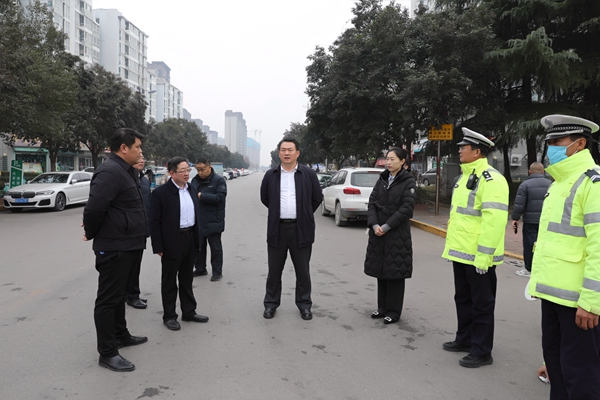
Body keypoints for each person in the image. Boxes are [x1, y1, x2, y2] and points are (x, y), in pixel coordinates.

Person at [528, 114, 600, 399]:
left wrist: (591, 302)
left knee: (581, 374)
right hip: (553, 295)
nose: (551, 148)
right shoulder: (559, 182)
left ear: (580, 143)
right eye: (549, 142)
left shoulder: (592, 183)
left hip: (578, 302)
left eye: (558, 141)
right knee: (557, 366)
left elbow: (598, 246)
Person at [441, 128, 509, 368]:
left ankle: (481, 351)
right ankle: (465, 339)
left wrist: (484, 255)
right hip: (462, 252)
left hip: (479, 256)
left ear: (477, 151)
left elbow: (494, 221)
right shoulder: (463, 177)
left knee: (482, 304)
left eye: (464, 147)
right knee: (463, 298)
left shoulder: (492, 180)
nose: (460, 150)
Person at [82, 128, 148, 372]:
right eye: (137, 147)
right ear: (123, 148)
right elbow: (94, 208)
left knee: (120, 295)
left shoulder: (126, 170)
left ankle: (121, 335)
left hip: (128, 244)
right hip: (114, 247)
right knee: (108, 299)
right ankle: (107, 353)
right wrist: (91, 232)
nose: (140, 151)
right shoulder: (110, 171)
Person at [260, 137, 322, 320]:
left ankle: (304, 305)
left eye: (290, 150)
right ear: (279, 153)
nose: (286, 153)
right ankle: (271, 304)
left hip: (301, 230)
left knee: (303, 272)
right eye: (283, 150)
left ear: (297, 153)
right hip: (277, 229)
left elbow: (316, 198)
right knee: (274, 271)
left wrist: (304, 214)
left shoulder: (308, 174)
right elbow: (265, 198)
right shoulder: (271, 175)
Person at [150, 156, 209, 331]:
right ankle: (169, 316)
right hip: (172, 241)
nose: (186, 174)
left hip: (190, 238)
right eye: (182, 171)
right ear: (172, 173)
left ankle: (189, 311)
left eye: (187, 170)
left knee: (187, 278)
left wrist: (198, 239)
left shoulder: (191, 189)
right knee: (169, 280)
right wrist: (158, 246)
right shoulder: (161, 193)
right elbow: (154, 222)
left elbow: (197, 216)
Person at [364, 147, 416, 324]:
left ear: (402, 161)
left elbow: (406, 209)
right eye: (387, 159)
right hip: (378, 231)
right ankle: (382, 308)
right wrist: (374, 224)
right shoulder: (383, 179)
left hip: (396, 233)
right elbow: (372, 203)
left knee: (395, 271)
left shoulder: (408, 181)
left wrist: (386, 226)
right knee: (381, 270)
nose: (388, 162)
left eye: (392, 159)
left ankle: (393, 311)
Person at [511, 162, 551, 277]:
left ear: (530, 172)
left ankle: (529, 268)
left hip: (530, 221)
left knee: (529, 245)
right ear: (542, 171)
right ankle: (542, 268)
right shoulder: (551, 184)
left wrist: (515, 218)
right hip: (546, 220)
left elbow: (519, 204)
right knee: (544, 244)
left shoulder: (525, 185)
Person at [191, 157, 227, 282]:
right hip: (199, 219)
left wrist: (202, 196)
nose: (200, 172)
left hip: (214, 220)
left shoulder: (219, 180)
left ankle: (217, 271)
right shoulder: (195, 180)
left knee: (215, 248)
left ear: (209, 167)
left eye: (202, 169)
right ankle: (200, 268)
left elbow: (220, 198)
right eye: (198, 170)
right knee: (199, 247)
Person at [125, 157, 152, 309]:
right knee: (129, 265)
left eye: (143, 159)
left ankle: (131, 293)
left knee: (136, 264)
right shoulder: (125, 179)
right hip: (129, 229)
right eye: (138, 158)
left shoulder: (144, 180)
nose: (141, 161)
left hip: (142, 228)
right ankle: (131, 296)